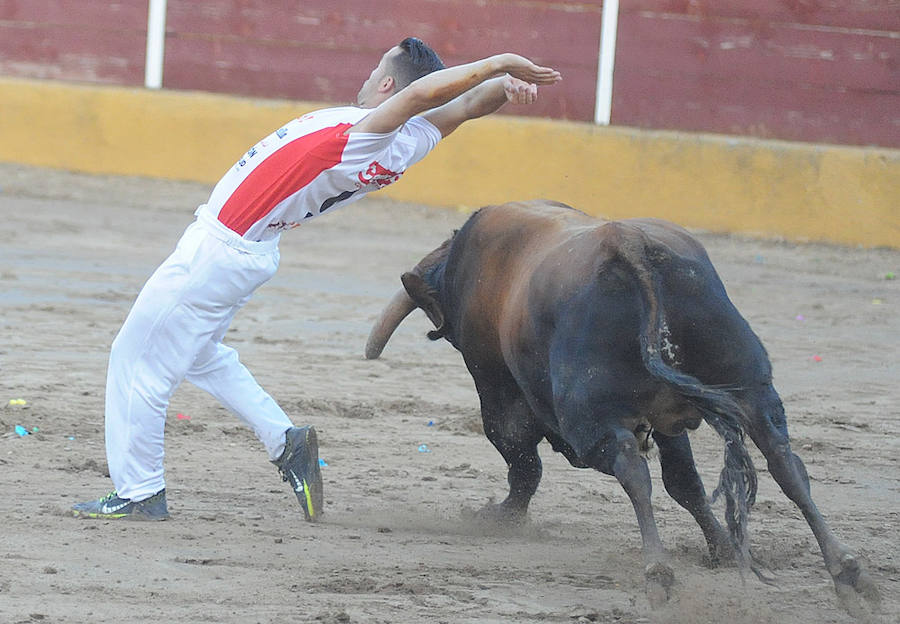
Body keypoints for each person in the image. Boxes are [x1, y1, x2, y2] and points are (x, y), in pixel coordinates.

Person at [72, 37, 561, 522]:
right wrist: (504, 85)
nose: (367, 75)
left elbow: (422, 96)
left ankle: (140, 492)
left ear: (388, 83)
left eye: (376, 68)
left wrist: (498, 63)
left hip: (218, 251)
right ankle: (285, 442)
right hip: (247, 249)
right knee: (200, 355)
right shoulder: (410, 141)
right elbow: (468, 104)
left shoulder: (372, 134)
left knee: (135, 361)